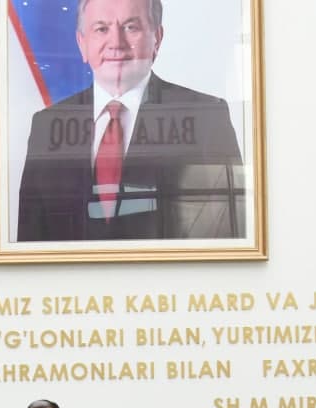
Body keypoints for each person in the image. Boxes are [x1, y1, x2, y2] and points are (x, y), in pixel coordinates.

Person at [16, 0, 245, 242]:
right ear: (82, 43)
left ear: (157, 38)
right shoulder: (46, 125)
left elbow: (230, 230)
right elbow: (29, 245)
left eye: (130, 27)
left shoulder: (206, 117)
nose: (116, 42)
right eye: (101, 29)